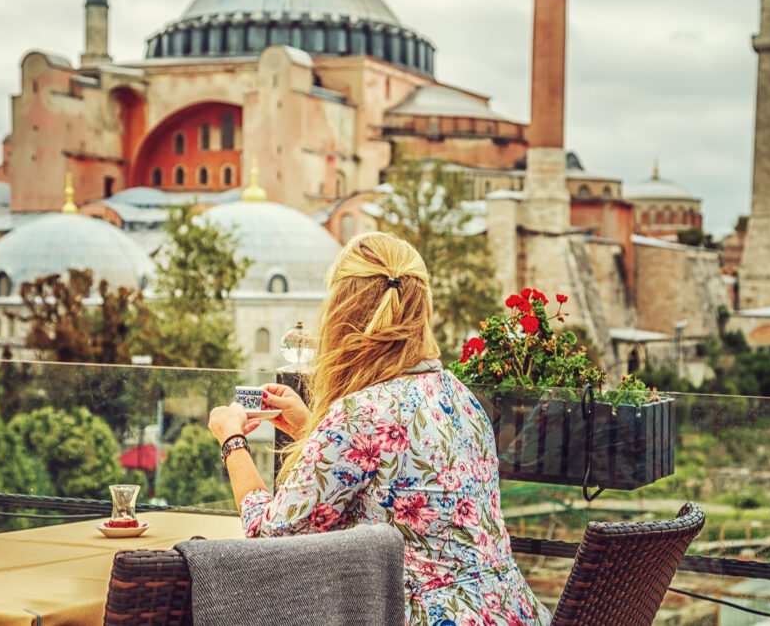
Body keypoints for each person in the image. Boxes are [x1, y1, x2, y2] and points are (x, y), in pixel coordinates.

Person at [208, 232, 551, 625]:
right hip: (514, 613)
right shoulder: (460, 397)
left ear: (342, 311)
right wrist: (311, 427)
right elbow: (392, 465)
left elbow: (268, 541)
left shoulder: (359, 415)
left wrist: (232, 440)